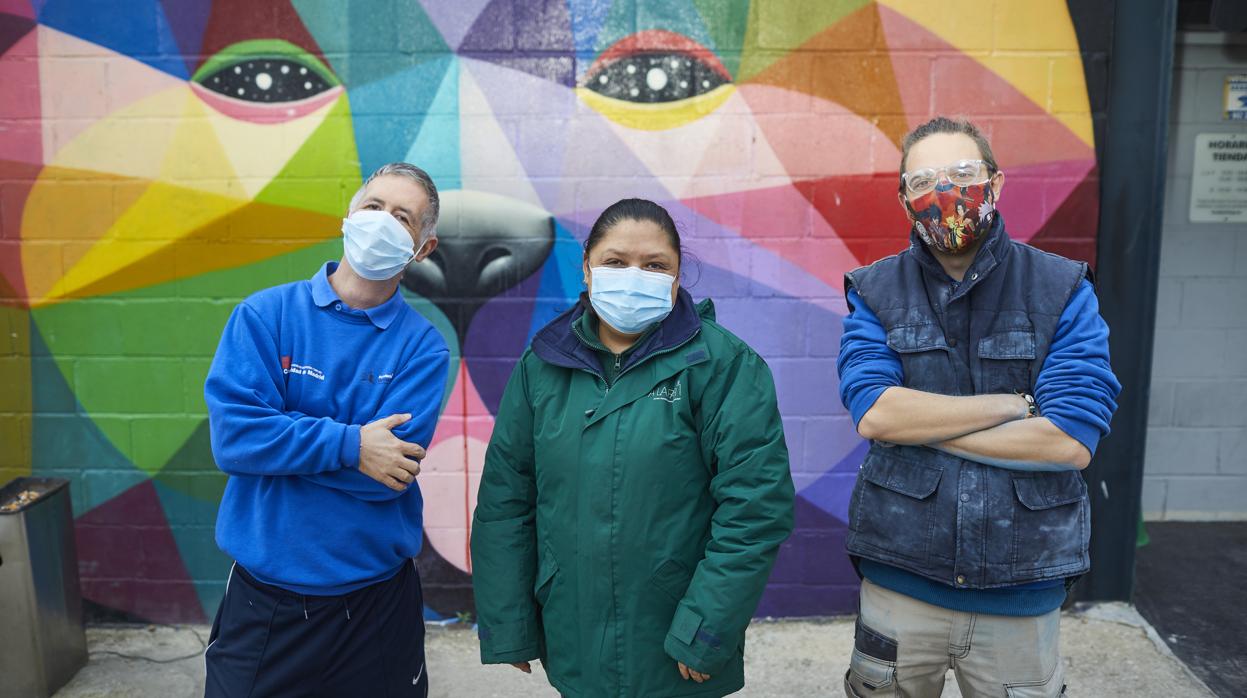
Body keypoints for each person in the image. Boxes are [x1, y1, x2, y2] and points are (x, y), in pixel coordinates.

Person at [837, 117, 1121, 698]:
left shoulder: (1062, 287)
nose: (945, 192)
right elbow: (877, 414)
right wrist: (1015, 405)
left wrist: (923, 427)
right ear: (904, 200)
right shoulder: (873, 290)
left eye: (963, 173)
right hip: (901, 580)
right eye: (924, 181)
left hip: (1022, 588)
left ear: (996, 182)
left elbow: (1067, 441)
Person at [470, 198, 795, 697]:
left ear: (677, 275)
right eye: (616, 262)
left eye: (654, 265)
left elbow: (755, 511)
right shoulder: (542, 367)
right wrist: (510, 625)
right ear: (587, 268)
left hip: (675, 644)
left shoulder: (724, 366)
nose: (633, 276)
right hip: (573, 633)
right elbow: (505, 501)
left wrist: (705, 631)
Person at [202, 163, 449, 697]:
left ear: (422, 249)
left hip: (376, 604)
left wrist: (286, 444)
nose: (383, 222)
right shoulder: (265, 316)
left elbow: (385, 475)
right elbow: (237, 440)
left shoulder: (423, 349)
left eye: (403, 217)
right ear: (348, 217)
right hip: (264, 601)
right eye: (374, 207)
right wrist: (353, 444)